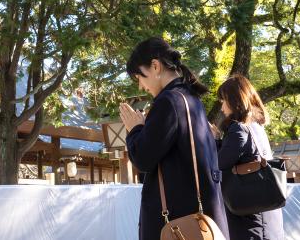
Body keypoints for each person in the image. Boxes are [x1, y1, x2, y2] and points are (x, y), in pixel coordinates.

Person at [120, 37, 229, 240]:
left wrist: (135, 129)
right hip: (201, 217)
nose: (141, 87)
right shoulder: (190, 98)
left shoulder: (168, 102)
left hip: (178, 224)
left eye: (139, 78)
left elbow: (143, 159)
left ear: (155, 66)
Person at [215, 74, 284, 240]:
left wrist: (215, 140)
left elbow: (218, 163)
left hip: (250, 218)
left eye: (223, 100)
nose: (222, 107)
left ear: (235, 100)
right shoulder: (256, 126)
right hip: (266, 212)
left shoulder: (239, 129)